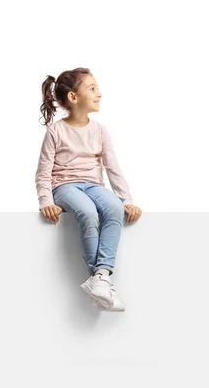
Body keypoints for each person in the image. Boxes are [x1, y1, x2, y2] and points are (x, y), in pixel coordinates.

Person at [35, 67, 142, 312]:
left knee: (113, 207)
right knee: (88, 212)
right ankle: (99, 279)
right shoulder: (56, 131)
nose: (99, 94)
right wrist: (45, 201)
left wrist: (126, 200)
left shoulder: (100, 130)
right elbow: (43, 171)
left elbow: (113, 167)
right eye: (92, 89)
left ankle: (101, 275)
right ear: (74, 97)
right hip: (64, 186)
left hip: (93, 185)